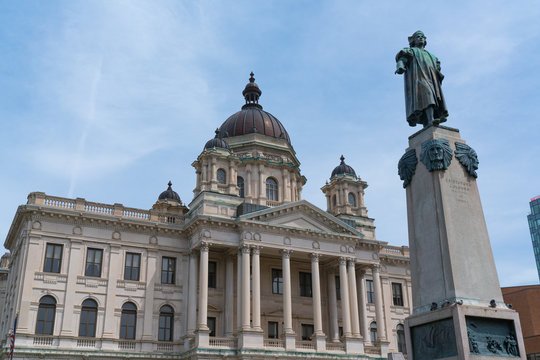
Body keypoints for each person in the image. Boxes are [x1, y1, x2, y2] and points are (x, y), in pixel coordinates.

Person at [395, 31, 448, 127]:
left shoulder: (431, 56)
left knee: (433, 97)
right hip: (419, 78)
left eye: (422, 37)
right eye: (418, 37)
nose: (420, 38)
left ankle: (429, 121)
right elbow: (402, 59)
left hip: (432, 79)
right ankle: (431, 120)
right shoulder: (412, 51)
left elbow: (437, 66)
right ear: (413, 41)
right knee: (428, 95)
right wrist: (400, 66)